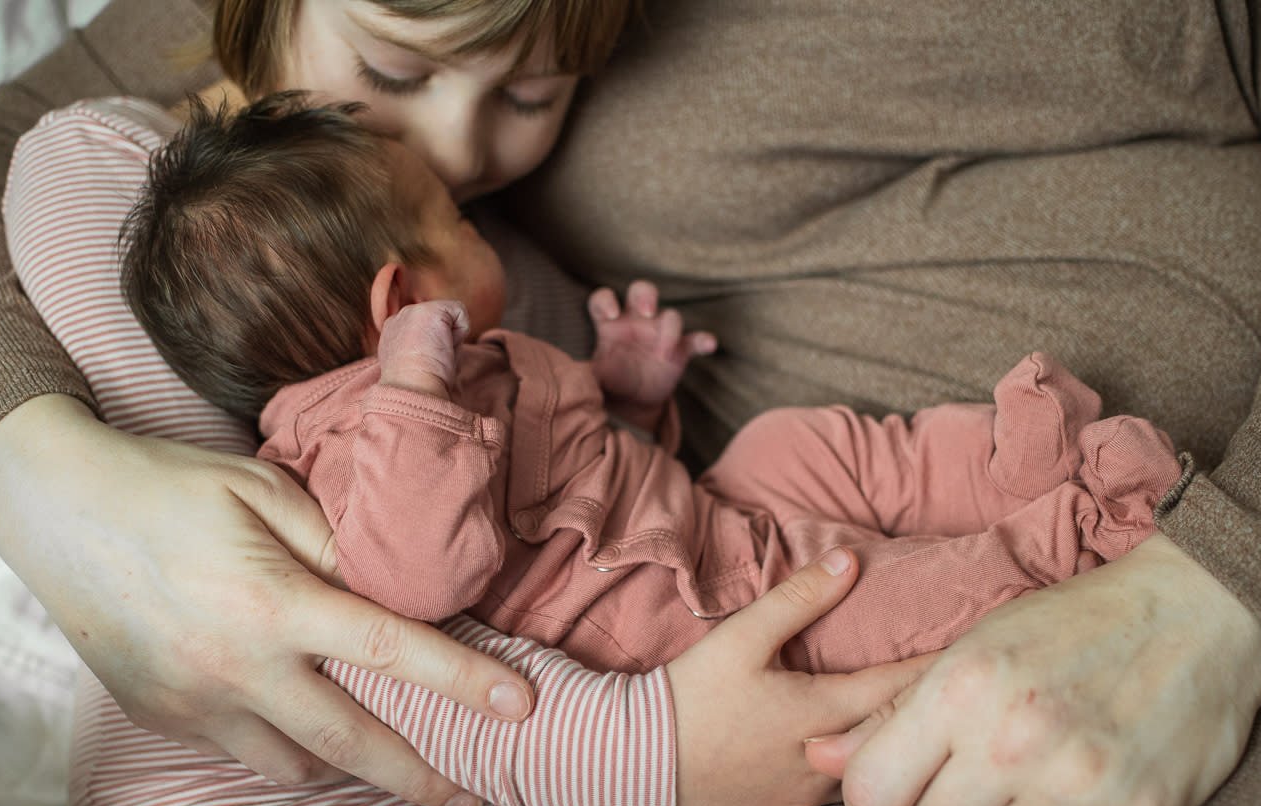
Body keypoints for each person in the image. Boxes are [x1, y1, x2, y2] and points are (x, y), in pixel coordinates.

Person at [0, 0, 1261, 806]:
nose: (465, 150)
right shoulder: (268, 179)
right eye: (396, 75)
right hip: (584, 725)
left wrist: (1239, 586)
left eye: (533, 95)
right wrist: (45, 476)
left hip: (749, 674)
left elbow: (583, 448)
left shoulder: (489, 271)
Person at [112, 92, 1182, 676]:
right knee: (864, 597)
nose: (477, 225)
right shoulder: (354, 450)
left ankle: (1001, 472)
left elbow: (578, 469)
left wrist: (623, 391)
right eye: (457, 222)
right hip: (697, 625)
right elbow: (419, 573)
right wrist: (405, 388)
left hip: (702, 516)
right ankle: (1067, 543)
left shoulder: (476, 367)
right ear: (400, 304)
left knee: (792, 445)